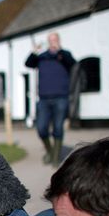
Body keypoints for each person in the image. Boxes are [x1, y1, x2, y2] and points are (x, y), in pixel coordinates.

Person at [25, 32, 76, 166]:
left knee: (58, 128)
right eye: (50, 40)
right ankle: (50, 151)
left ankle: (55, 158)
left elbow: (72, 63)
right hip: (43, 99)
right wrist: (34, 52)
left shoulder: (64, 55)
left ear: (59, 40)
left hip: (61, 97)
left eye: (55, 40)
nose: (53, 42)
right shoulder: (42, 57)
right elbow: (28, 63)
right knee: (41, 128)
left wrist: (60, 50)